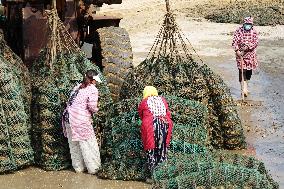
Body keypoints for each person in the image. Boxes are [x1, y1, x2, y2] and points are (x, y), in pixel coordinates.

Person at [62, 69, 102, 174]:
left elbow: (70, 102)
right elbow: (92, 106)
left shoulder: (77, 87)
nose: (96, 82)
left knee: (74, 144)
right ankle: (93, 169)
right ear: (93, 80)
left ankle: (78, 168)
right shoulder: (92, 89)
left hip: (68, 118)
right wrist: (97, 110)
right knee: (88, 143)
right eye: (95, 80)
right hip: (80, 120)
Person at [138, 86, 173, 177]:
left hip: (150, 125)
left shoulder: (144, 102)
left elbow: (141, 115)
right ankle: (162, 174)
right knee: (162, 149)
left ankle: (153, 175)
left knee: (151, 149)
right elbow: (168, 113)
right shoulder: (162, 100)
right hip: (164, 124)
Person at [232, 16, 259, 97]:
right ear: (244, 24)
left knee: (248, 71)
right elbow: (234, 42)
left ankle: (246, 84)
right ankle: (243, 88)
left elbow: (255, 42)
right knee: (241, 70)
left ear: (252, 25)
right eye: (246, 24)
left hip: (250, 54)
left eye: (249, 24)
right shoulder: (239, 31)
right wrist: (237, 51)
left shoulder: (254, 32)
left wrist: (247, 47)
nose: (248, 26)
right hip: (240, 54)